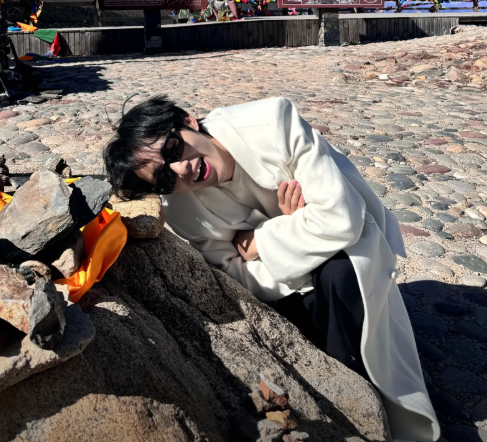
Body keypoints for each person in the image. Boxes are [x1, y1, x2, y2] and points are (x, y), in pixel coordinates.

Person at [104, 95, 440, 442]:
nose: (180, 170)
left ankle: (364, 402)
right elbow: (236, 276)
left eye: (173, 149)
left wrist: (259, 242)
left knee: (339, 272)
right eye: (163, 178)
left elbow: (343, 219)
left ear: (188, 121)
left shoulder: (271, 123)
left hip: (353, 248)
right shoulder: (182, 208)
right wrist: (297, 230)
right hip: (282, 286)